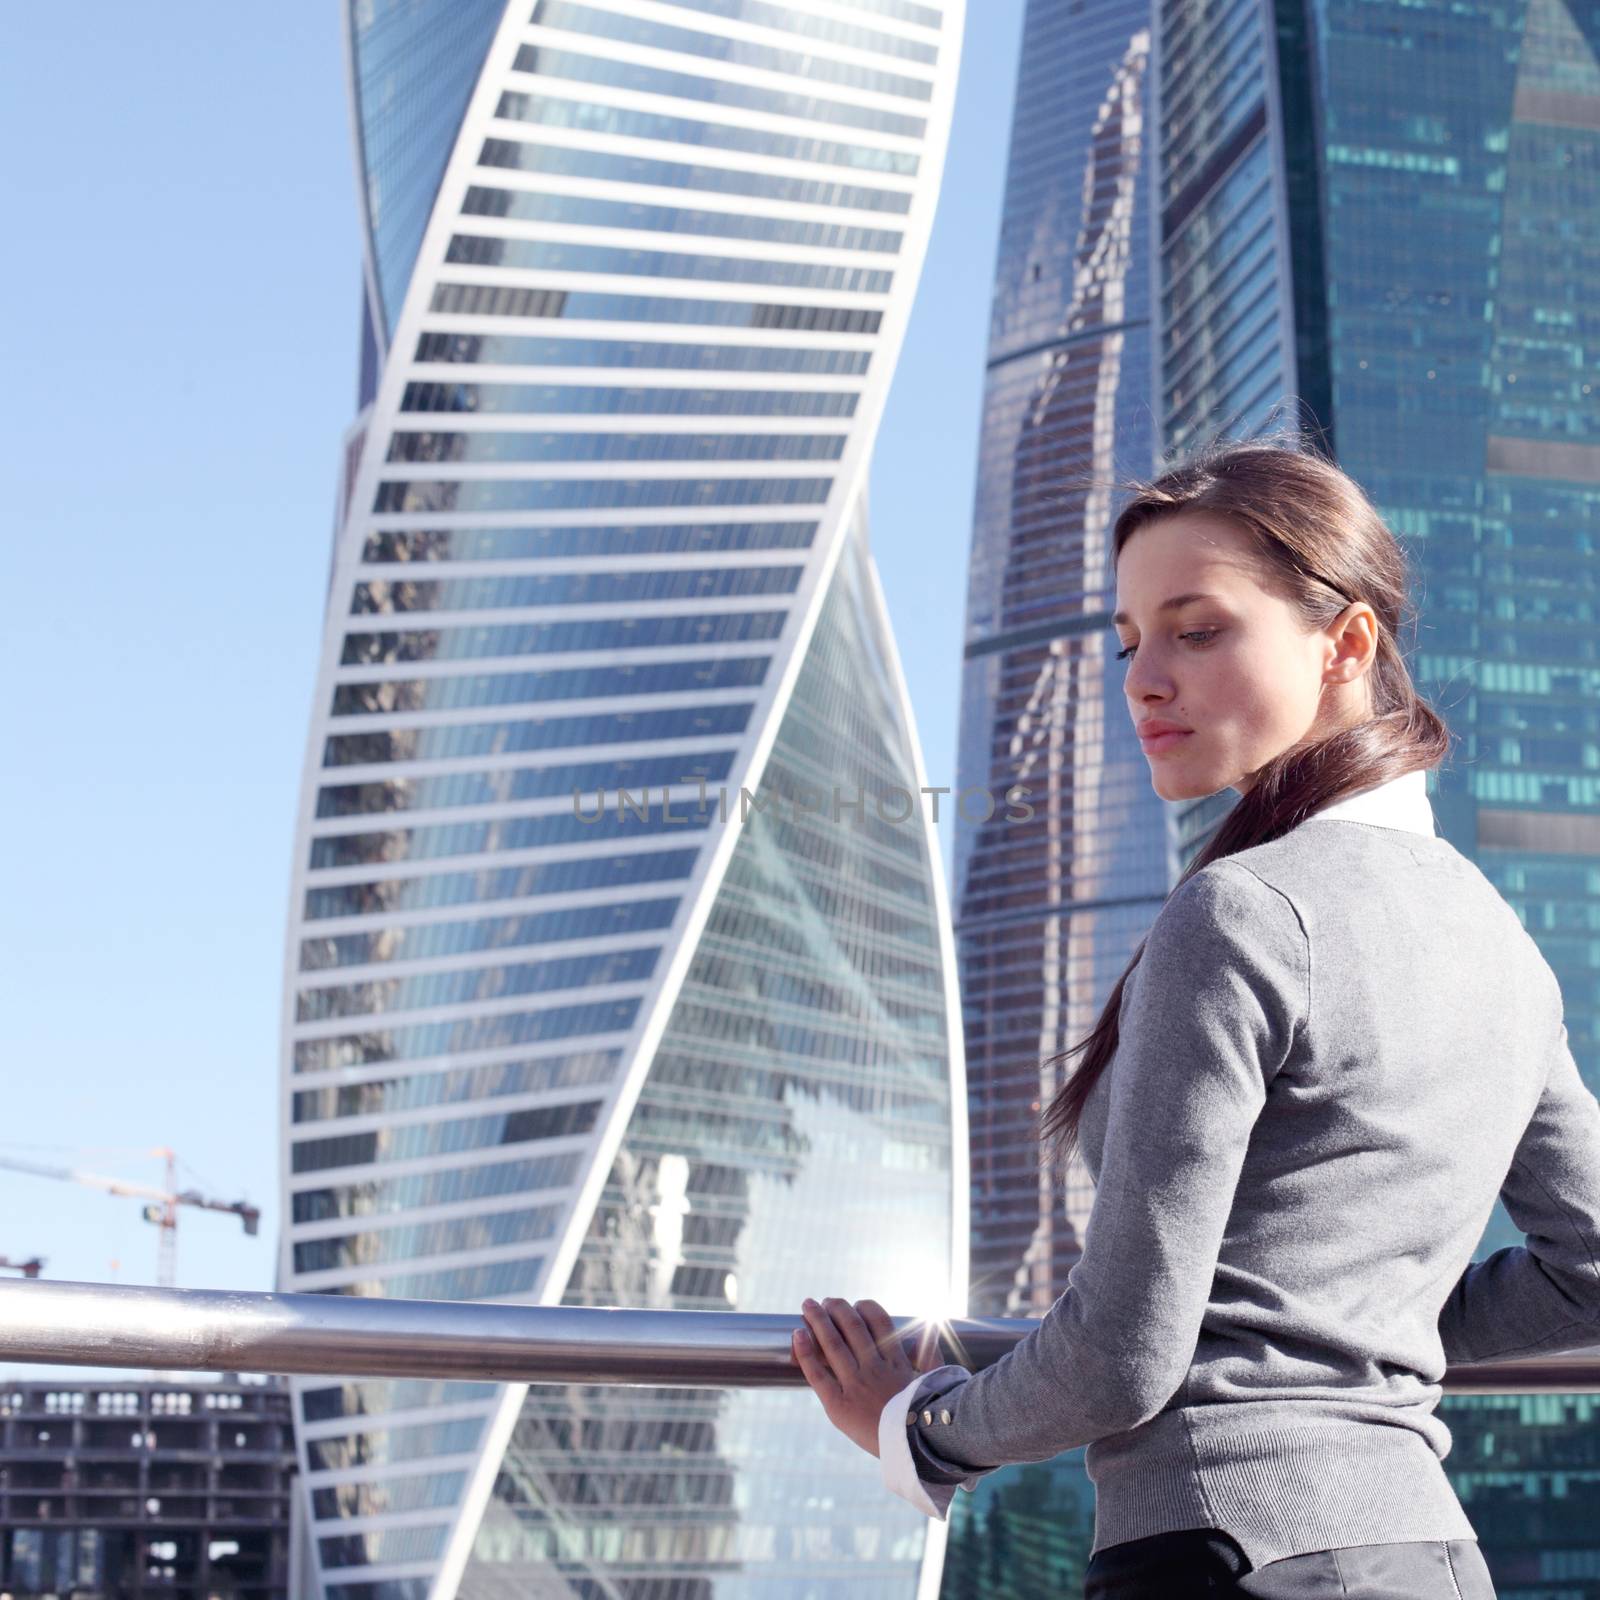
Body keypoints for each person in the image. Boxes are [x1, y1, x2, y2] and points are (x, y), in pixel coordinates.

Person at [790, 434, 1600, 1598]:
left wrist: (914, 1426)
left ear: (1346, 642)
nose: (1142, 678)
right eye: (1128, 641)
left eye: (1197, 628)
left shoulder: (1244, 911)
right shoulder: (1497, 937)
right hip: (1426, 1556)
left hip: (1228, 1552)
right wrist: (1359, 1327)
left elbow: (1121, 1355)